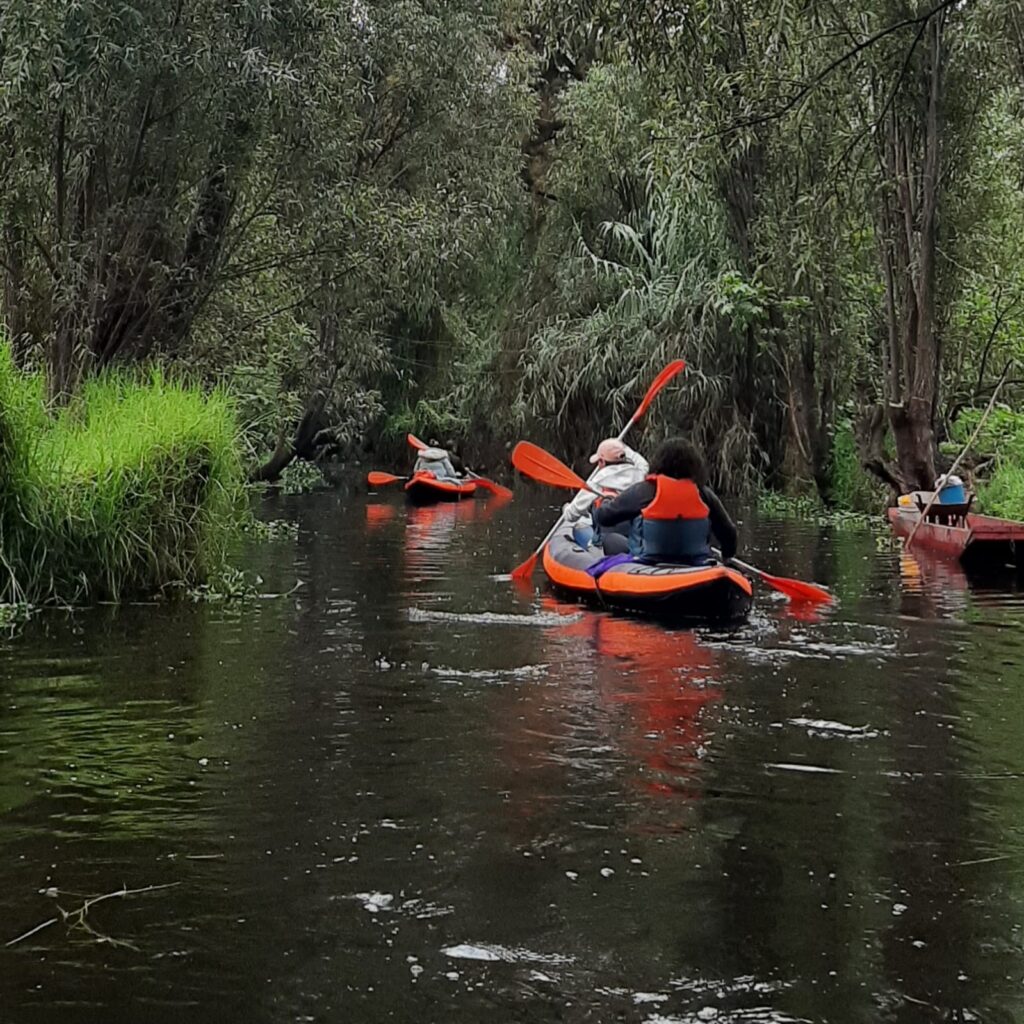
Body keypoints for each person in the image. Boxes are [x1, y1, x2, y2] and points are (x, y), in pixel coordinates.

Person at [594, 437, 737, 564]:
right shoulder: (704, 494)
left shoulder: (645, 491)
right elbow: (729, 533)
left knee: (610, 539)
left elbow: (604, 517)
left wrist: (606, 501)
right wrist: (726, 556)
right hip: (696, 562)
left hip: (649, 563)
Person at [562, 438, 649, 548]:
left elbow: (571, 516)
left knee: (584, 522)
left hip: (604, 543)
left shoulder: (596, 483)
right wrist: (622, 447)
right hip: (636, 540)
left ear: (602, 462)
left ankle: (596, 544)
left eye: (598, 461)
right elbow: (642, 462)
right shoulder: (640, 475)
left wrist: (566, 508)